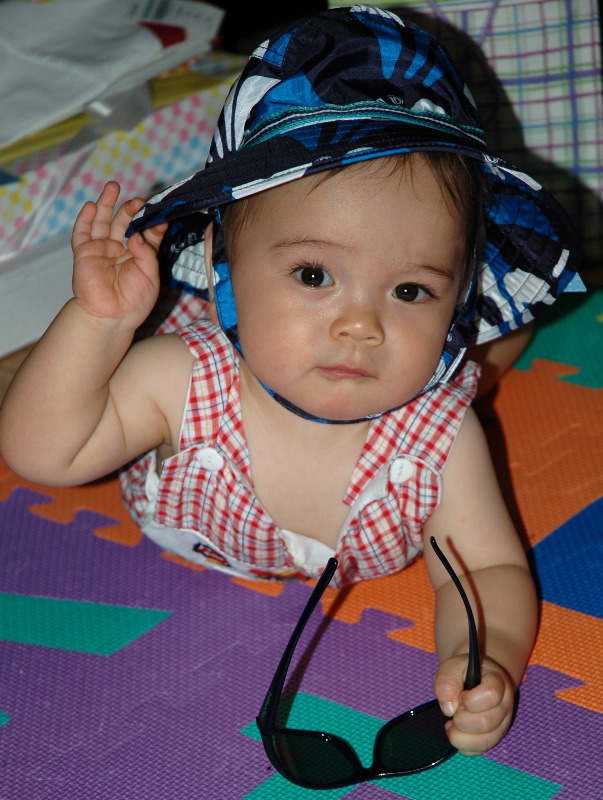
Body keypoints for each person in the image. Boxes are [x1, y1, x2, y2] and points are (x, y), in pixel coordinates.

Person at [0, 5, 583, 757]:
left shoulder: (438, 442)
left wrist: (487, 658)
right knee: (50, 375)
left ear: (458, 288)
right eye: (314, 275)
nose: (359, 326)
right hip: (188, 352)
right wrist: (100, 324)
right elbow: (42, 453)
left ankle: (490, 333)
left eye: (410, 291)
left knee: (469, 378)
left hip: (440, 374)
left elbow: (490, 567)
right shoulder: (177, 380)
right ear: (225, 261)